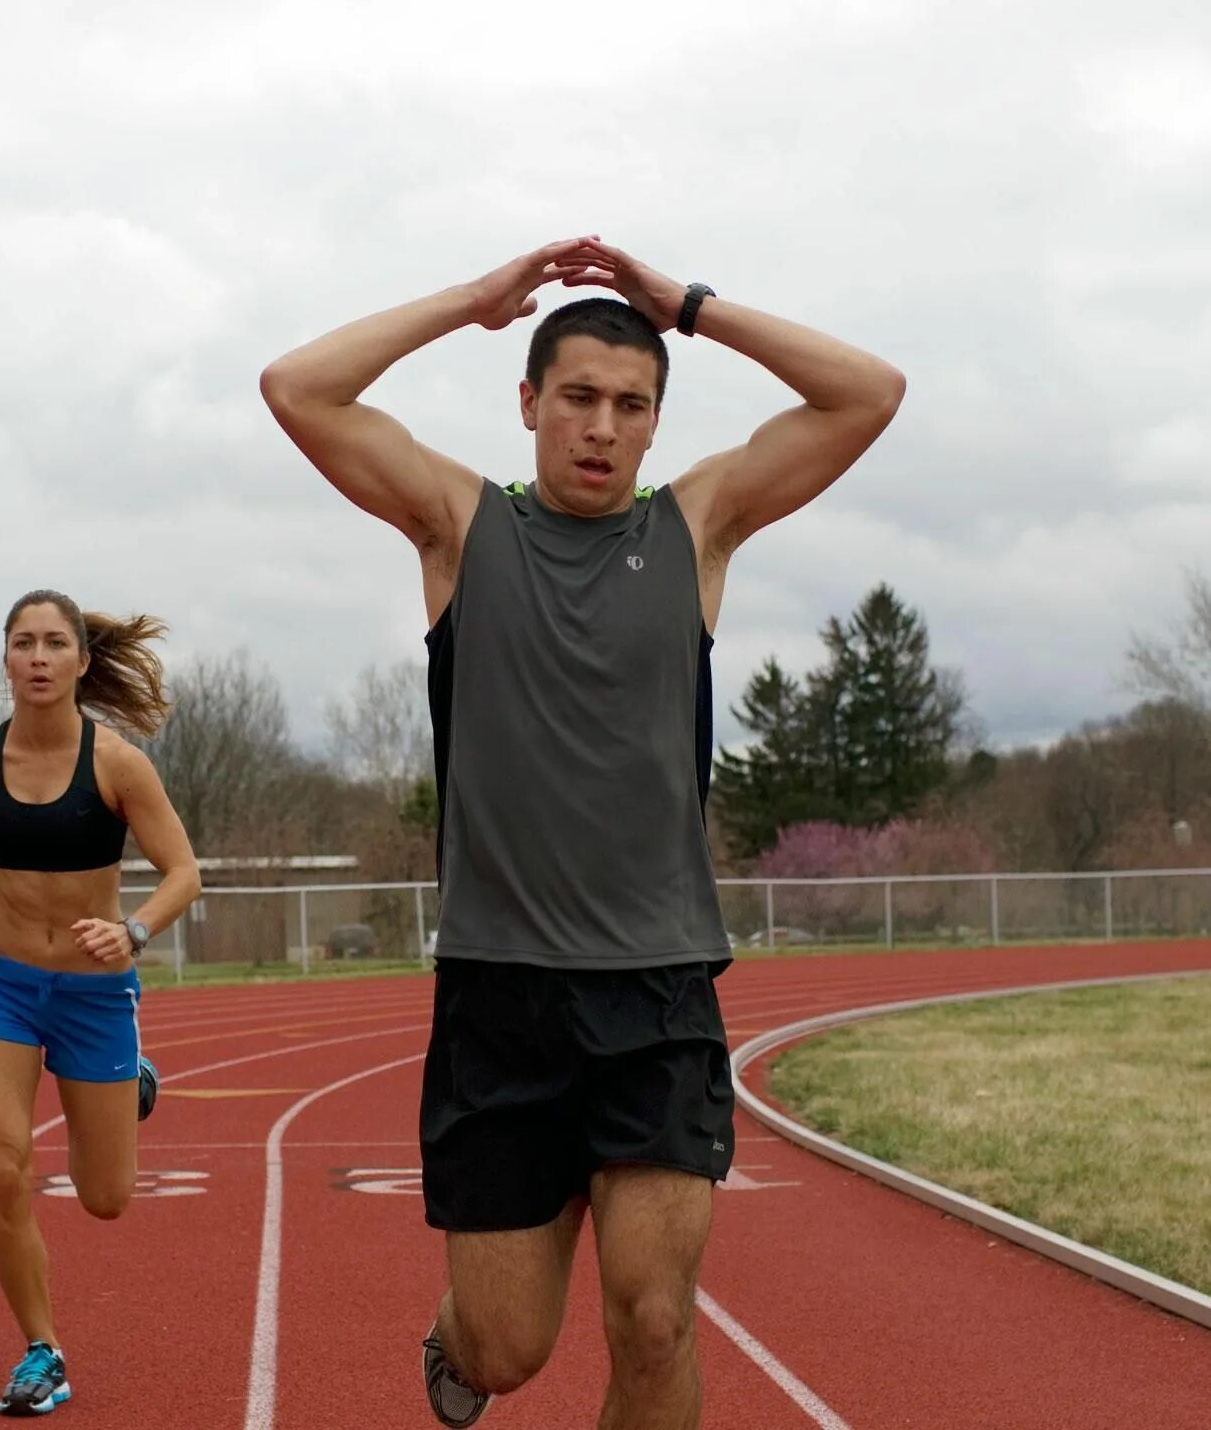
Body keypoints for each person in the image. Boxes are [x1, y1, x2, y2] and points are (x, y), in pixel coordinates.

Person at [259, 237, 904, 1429]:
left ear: (655, 421)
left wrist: (689, 307)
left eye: (629, 405)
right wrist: (471, 302)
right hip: (500, 997)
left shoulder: (696, 528)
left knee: (654, 1320)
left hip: (656, 992)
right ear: (530, 404)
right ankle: (464, 1336)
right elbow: (298, 388)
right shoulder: (461, 527)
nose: (601, 427)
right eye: (578, 400)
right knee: (508, 1350)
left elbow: (869, 392)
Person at [0, 588, 201, 1419]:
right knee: (4, 1168)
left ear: (81, 661)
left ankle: (130, 1073)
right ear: (5, 659)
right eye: (23, 643)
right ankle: (43, 1350)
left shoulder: (117, 764)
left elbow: (184, 873)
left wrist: (132, 934)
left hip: (96, 994)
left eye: (54, 643)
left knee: (105, 1199)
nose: (38, 657)